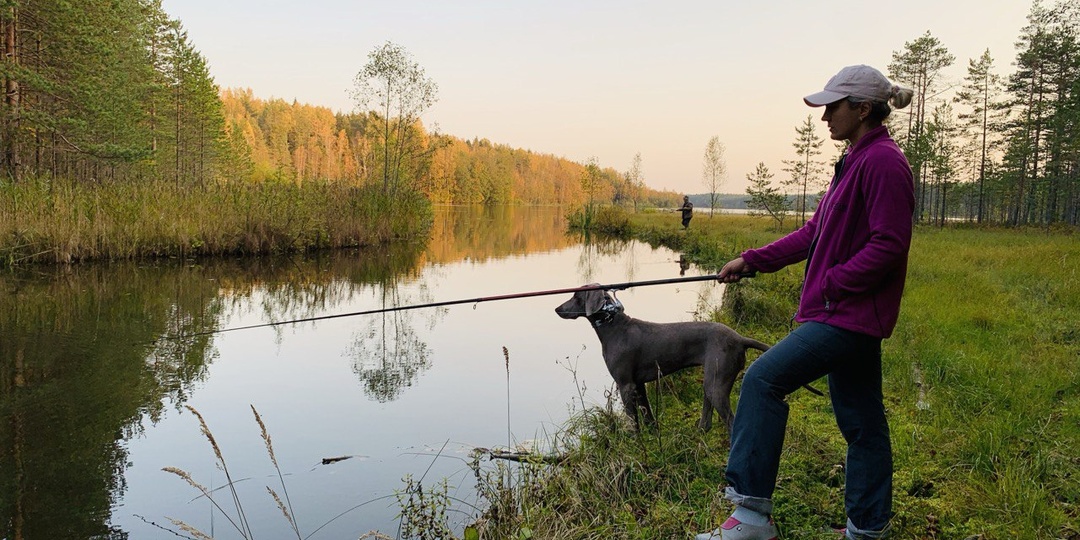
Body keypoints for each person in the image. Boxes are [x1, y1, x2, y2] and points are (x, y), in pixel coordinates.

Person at [696, 65, 915, 540]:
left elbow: (890, 244)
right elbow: (813, 233)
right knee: (862, 424)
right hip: (847, 313)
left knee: (762, 381)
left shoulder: (883, 162)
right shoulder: (854, 161)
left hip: (847, 315)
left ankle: (751, 517)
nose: (824, 117)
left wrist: (834, 282)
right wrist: (752, 260)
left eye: (832, 107)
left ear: (862, 108)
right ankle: (868, 528)